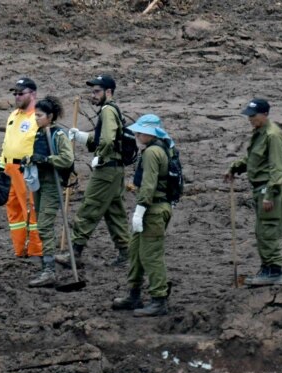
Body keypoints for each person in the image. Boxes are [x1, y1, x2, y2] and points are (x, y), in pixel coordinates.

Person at [111, 114, 173, 317]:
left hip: (153, 210)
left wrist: (140, 209)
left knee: (150, 255)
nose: (137, 134)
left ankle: (159, 299)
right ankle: (133, 295)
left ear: (150, 133)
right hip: (152, 208)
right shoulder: (158, 147)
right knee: (136, 251)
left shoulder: (152, 153)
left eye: (141, 131)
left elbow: (149, 184)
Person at [67, 74, 130, 268]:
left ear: (108, 92)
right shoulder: (110, 110)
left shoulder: (107, 111)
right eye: (92, 91)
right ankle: (126, 253)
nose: (92, 95)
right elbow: (100, 139)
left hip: (107, 169)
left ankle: (75, 252)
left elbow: (108, 140)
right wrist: (81, 137)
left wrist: (100, 156)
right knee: (114, 212)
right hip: (115, 169)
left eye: (97, 91)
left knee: (90, 206)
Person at [225, 98, 282, 286]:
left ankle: (274, 272)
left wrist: (269, 194)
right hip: (260, 190)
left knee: (268, 232)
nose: (250, 119)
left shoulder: (273, 135)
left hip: (269, 192)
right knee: (261, 232)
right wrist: (235, 167)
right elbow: (253, 159)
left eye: (253, 116)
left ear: (265, 114)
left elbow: (277, 169)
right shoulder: (260, 133)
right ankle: (266, 269)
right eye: (249, 116)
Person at [26, 96, 75, 288]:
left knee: (45, 225)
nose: (36, 118)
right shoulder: (38, 133)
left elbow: (67, 159)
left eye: (39, 115)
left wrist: (47, 160)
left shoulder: (58, 135)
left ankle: (49, 271)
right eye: (35, 115)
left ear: (50, 116)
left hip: (52, 184)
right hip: (39, 183)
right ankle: (47, 267)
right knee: (40, 223)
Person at [1, 77, 44, 261]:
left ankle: (35, 250)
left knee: (30, 209)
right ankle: (20, 249)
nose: (17, 97)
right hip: (8, 169)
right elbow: (7, 142)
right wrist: (1, 167)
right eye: (15, 93)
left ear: (33, 94)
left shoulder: (38, 117)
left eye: (21, 93)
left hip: (26, 169)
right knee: (14, 209)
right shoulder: (13, 115)